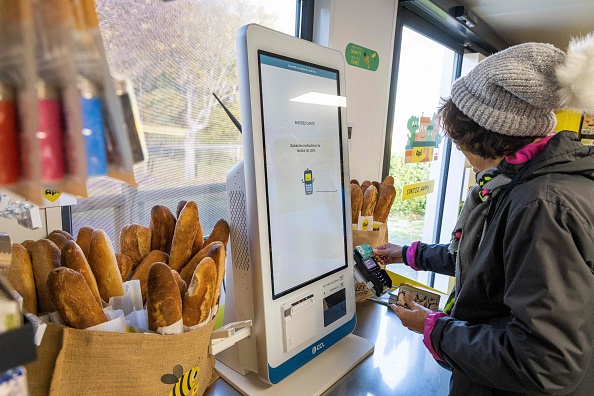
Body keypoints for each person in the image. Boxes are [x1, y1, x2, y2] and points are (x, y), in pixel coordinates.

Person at [374, 33, 594, 395]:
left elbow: (545, 361)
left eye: (461, 144)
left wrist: (433, 328)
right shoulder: (516, 183)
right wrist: (408, 254)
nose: (462, 157)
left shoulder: (541, 207)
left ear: (487, 137)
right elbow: (487, 262)